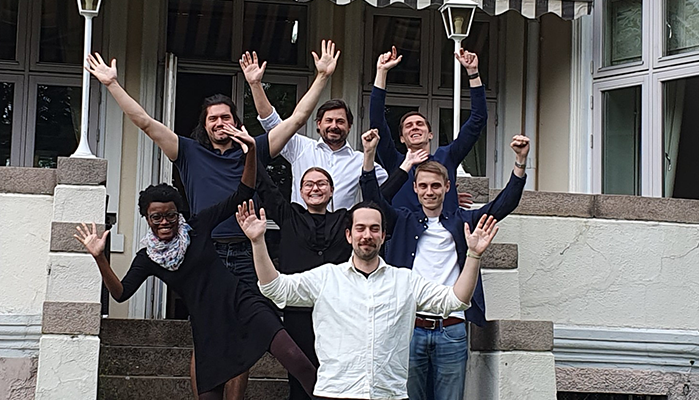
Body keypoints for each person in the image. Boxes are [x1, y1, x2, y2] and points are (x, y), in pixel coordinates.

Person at [85, 42, 338, 398]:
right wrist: (112, 84)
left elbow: (296, 120)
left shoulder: (255, 148)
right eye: (213, 118)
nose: (220, 123)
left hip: (251, 254)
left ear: (236, 122)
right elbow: (143, 121)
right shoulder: (188, 152)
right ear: (204, 125)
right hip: (206, 253)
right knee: (207, 334)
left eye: (226, 117)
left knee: (250, 330)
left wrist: (322, 77)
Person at [73, 128, 315, 400]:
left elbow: (242, 192)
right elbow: (120, 293)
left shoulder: (198, 226)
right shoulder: (148, 258)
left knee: (297, 359)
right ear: (146, 218)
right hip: (207, 324)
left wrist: (252, 153)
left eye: (170, 215)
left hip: (243, 303)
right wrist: (99, 257)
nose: (165, 222)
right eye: (156, 217)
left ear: (179, 214)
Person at [236, 197, 500, 400]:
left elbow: (457, 300)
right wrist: (258, 242)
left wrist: (474, 255)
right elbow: (275, 288)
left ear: (384, 236)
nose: (367, 235)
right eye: (360, 228)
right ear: (349, 235)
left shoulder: (405, 281)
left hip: (388, 394)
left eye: (375, 229)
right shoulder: (326, 277)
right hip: (336, 393)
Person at [359, 129, 530, 400]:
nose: (429, 192)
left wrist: (520, 164)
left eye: (436, 186)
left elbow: (503, 205)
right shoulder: (402, 220)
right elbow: (372, 202)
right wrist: (369, 156)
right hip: (409, 327)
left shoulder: (463, 221)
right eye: (423, 186)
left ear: (447, 187)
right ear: (414, 188)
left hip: (452, 329)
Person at [254, 136, 427, 400]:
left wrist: (404, 166)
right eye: (309, 184)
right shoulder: (289, 215)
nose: (315, 188)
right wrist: (251, 150)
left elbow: (378, 200)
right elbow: (264, 185)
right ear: (300, 191)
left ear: (332, 190)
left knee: (339, 379)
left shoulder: (345, 220)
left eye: (322, 183)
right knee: (299, 378)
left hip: (340, 313)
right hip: (298, 310)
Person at [242, 51, 388, 211]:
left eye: (340, 121)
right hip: (302, 229)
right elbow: (272, 123)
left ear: (349, 126)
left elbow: (384, 189)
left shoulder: (360, 160)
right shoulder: (301, 147)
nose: (334, 126)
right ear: (318, 124)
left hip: (340, 232)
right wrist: (255, 85)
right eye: (329, 121)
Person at [370, 46, 488, 212]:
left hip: (443, 235)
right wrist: (381, 72)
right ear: (402, 138)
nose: (414, 128)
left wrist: (473, 73)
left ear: (430, 134)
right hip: (404, 235)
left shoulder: (447, 157)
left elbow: (478, 119)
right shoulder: (395, 162)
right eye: (408, 126)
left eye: (420, 124)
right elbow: (377, 122)